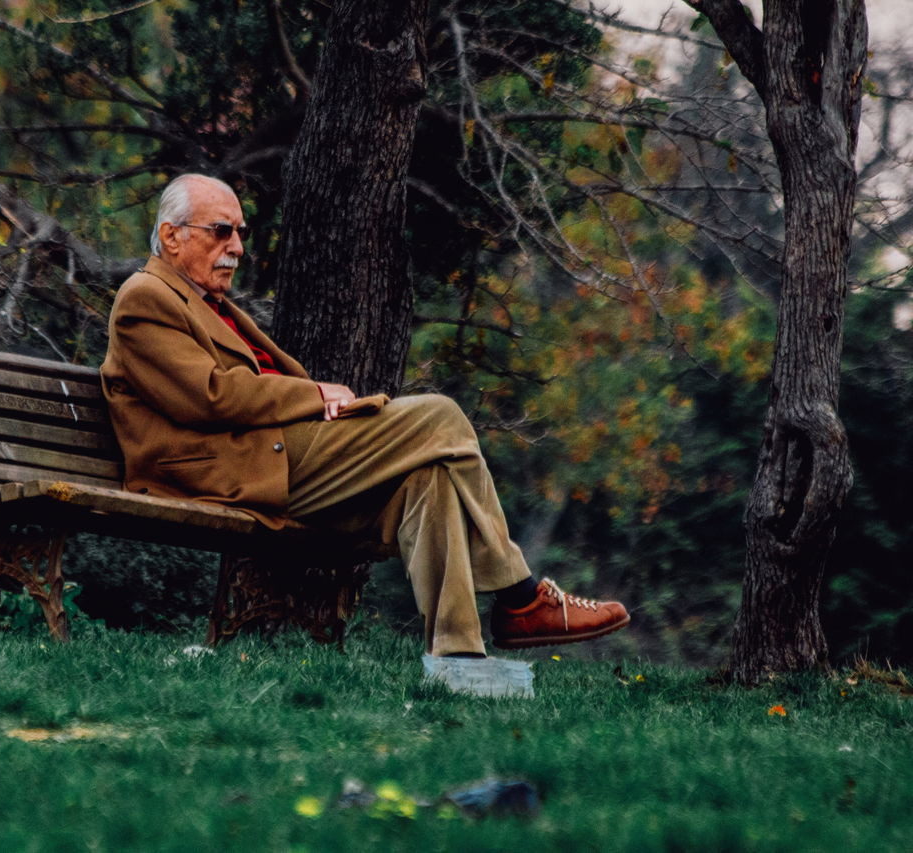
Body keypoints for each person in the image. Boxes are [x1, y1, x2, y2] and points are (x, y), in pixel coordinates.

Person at [100, 174, 628, 686]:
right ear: (172, 235)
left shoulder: (210, 304)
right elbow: (209, 397)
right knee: (439, 416)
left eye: (240, 232)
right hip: (228, 468)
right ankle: (521, 596)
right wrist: (312, 394)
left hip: (274, 456)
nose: (237, 246)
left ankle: (458, 659)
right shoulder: (146, 297)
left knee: (433, 480)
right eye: (222, 231)